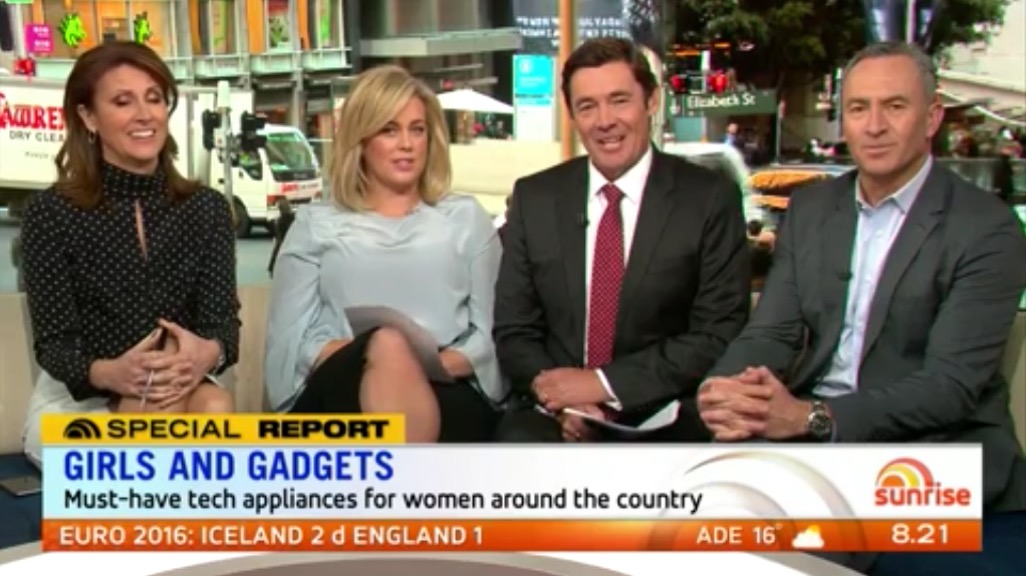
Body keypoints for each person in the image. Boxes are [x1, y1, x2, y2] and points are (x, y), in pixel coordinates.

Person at [697, 42, 1026, 574]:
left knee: (779, 542)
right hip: (811, 440)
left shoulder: (986, 228)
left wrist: (811, 417)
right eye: (858, 108)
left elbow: (949, 388)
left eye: (894, 106)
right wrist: (725, 390)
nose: (874, 126)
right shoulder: (812, 209)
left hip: (933, 449)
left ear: (931, 118)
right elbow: (771, 333)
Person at [493, 37, 751, 443]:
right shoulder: (535, 198)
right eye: (587, 106)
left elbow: (717, 332)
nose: (604, 121)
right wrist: (565, 401)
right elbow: (514, 330)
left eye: (619, 100)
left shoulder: (708, 198)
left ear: (651, 101)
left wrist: (602, 385)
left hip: (663, 411)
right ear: (572, 116)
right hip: (552, 413)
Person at [20, 41, 239, 467]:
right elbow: (55, 346)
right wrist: (113, 373)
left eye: (154, 99)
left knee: (211, 403)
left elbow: (223, 327)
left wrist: (208, 352)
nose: (144, 114)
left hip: (180, 388)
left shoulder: (207, 209)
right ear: (88, 117)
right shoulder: (51, 213)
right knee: (174, 402)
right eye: (123, 102)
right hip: (79, 401)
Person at [264, 65, 503, 443]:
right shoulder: (314, 225)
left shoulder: (466, 219)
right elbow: (290, 342)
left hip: (447, 381)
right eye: (390, 130)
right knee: (388, 343)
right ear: (361, 139)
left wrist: (425, 365)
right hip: (342, 383)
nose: (407, 144)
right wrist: (381, 355)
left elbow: (492, 335)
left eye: (417, 130)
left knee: (399, 359)